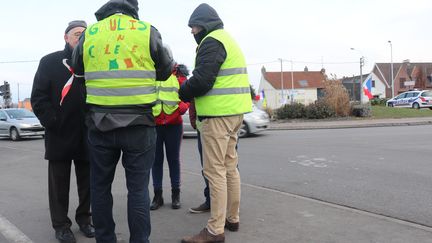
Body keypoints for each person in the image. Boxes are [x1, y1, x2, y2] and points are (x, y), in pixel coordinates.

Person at [71, 0, 173, 242]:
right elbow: (166, 70)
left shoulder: (91, 33)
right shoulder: (146, 30)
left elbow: (77, 69)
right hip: (139, 124)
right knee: (138, 190)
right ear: (133, 8)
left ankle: (105, 239)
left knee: (100, 187)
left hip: (99, 123)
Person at [179, 3, 252, 243]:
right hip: (234, 114)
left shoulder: (211, 41)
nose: (192, 32)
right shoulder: (227, 40)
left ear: (205, 24)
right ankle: (232, 218)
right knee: (230, 167)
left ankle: (214, 230)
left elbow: (201, 80)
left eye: (194, 26)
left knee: (215, 171)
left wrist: (182, 91)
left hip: (218, 116)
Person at [31, 20, 94, 243]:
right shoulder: (49, 62)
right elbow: (38, 98)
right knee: (59, 184)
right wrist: (53, 121)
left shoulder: (92, 62)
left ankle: (85, 219)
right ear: (66, 37)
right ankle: (61, 225)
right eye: (76, 33)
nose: (80, 37)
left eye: (85, 34)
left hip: (87, 133)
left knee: (87, 182)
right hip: (59, 133)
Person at [150, 63, 190, 210]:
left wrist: (182, 107)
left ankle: (175, 195)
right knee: (156, 161)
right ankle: (157, 196)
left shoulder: (178, 76)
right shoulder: (151, 73)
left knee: (173, 160)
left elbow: (187, 95)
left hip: (174, 124)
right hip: (155, 123)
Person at [187, 100, 211, 214]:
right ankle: (231, 213)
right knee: (230, 168)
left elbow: (193, 89)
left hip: (211, 123)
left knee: (211, 168)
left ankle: (218, 219)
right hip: (231, 119)